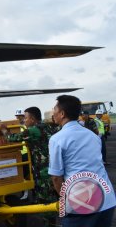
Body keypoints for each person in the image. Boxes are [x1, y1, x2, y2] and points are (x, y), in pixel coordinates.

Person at [49, 95, 116, 227]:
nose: (52, 112)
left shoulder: (57, 139)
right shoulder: (92, 135)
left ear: (62, 114)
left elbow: (56, 178)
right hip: (107, 199)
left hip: (82, 204)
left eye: (54, 109)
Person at [14, 109, 29, 200]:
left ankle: (27, 192)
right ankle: (25, 191)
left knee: (27, 173)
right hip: (18, 153)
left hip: (26, 153)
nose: (19, 118)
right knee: (22, 173)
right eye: (17, 116)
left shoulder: (26, 127)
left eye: (20, 116)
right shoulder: (15, 127)